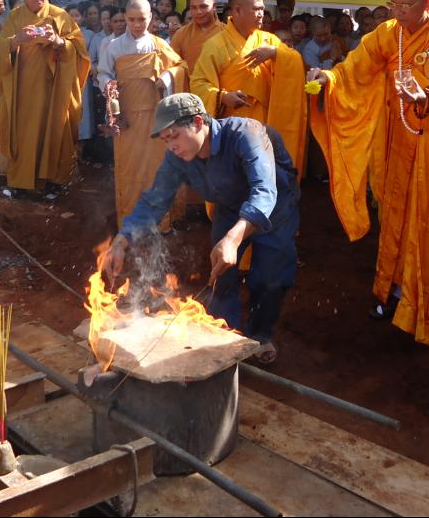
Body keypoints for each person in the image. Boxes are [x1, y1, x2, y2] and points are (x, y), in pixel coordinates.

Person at [306, 0, 429, 345]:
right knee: (395, 218)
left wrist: (428, 101)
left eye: (405, 5)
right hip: (396, 147)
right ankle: (393, 290)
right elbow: (356, 67)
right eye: (393, 4)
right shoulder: (389, 33)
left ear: (427, 4)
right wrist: (330, 79)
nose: (397, 12)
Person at [100, 93, 299, 364]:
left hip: (275, 209)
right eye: (166, 140)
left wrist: (234, 237)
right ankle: (223, 334)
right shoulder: (178, 159)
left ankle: (260, 334)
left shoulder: (246, 134)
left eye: (174, 136)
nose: (171, 146)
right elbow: (154, 201)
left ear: (197, 122)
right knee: (221, 275)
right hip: (229, 208)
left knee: (269, 279)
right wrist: (122, 240)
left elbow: (264, 191)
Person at [0, 0, 89, 199]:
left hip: (53, 90)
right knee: (22, 134)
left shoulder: (60, 16)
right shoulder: (15, 17)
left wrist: (57, 42)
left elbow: (79, 52)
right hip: (22, 90)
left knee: (54, 130)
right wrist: (16, 40)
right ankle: (18, 182)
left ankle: (53, 183)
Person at [191, 0, 307, 172]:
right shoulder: (215, 45)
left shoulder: (269, 40)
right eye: (256, 9)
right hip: (232, 125)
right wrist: (222, 97)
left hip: (266, 123)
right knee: (236, 178)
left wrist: (276, 53)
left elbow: (295, 62)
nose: (261, 14)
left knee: (264, 174)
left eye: (262, 9)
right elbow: (199, 83)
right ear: (237, 11)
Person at [97, 0, 188, 226]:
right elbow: (103, 73)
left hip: (156, 118)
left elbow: (181, 67)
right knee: (128, 169)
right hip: (126, 117)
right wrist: (107, 84)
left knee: (156, 169)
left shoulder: (158, 44)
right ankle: (129, 221)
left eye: (142, 19)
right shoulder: (113, 46)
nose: (137, 24)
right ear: (125, 18)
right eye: (132, 19)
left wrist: (167, 76)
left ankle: (160, 221)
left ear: (151, 18)